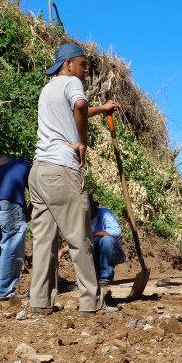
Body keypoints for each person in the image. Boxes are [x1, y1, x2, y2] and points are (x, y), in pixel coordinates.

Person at [28, 43, 119, 314]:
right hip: (62, 170)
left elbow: (76, 112)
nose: (85, 70)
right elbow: (79, 105)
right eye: (82, 64)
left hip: (39, 171)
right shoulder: (72, 83)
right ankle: (91, 301)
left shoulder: (48, 90)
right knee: (81, 238)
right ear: (68, 64)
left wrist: (102, 109)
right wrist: (82, 142)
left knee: (44, 241)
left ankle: (40, 302)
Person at [0, 153, 30, 300]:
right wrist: (30, 210)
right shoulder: (21, 165)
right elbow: (37, 190)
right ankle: (5, 291)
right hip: (11, 207)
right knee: (11, 247)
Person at [59, 196, 126, 285]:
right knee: (75, 250)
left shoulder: (105, 213)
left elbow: (116, 231)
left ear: (95, 206)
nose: (86, 210)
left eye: (89, 206)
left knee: (107, 241)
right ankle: (86, 278)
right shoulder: (80, 220)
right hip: (93, 254)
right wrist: (62, 251)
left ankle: (105, 277)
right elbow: (78, 241)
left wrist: (94, 234)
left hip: (110, 253)